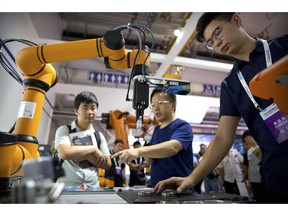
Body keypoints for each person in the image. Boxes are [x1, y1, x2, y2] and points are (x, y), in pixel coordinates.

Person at [153, 12, 288, 203]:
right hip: (278, 177)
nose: (217, 42)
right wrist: (192, 178)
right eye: (211, 41)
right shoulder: (230, 85)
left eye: (218, 32)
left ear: (236, 20)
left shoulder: (283, 47)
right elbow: (223, 137)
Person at [112, 88, 194, 187]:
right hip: (156, 188)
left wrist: (138, 151)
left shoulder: (182, 126)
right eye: (153, 105)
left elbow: (173, 147)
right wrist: (145, 161)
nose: (156, 108)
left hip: (178, 190)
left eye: (160, 103)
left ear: (173, 105)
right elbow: (154, 155)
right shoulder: (157, 130)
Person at [54, 91, 111, 188]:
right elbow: (65, 153)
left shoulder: (99, 136)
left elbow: (108, 164)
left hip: (92, 188)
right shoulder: (64, 130)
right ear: (76, 111)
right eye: (85, 108)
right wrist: (93, 150)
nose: (90, 112)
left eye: (93, 108)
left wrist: (78, 153)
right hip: (66, 188)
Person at [242, 130, 264, 203]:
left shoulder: (261, 147)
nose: (246, 141)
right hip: (253, 178)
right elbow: (249, 166)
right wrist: (249, 179)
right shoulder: (249, 151)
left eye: (246, 139)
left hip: (261, 177)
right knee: (257, 198)